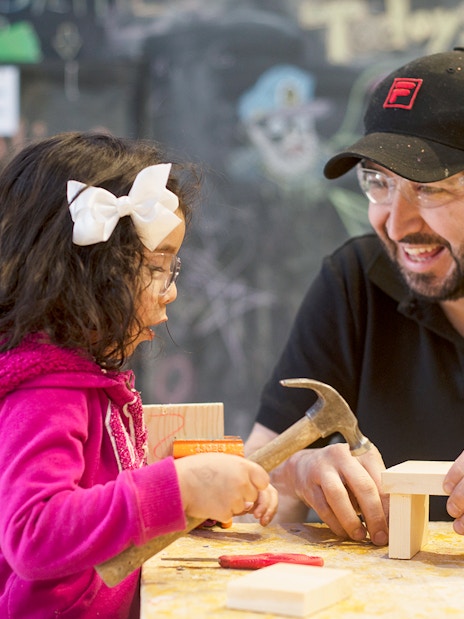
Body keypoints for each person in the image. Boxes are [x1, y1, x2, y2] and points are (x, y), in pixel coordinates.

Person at [0, 131, 277, 619]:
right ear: (89, 273)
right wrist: (180, 488)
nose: (170, 292)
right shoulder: (46, 392)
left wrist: (197, 500)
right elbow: (34, 532)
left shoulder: (83, 382)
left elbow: (105, 513)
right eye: (157, 267)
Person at [245, 48, 464, 548]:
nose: (396, 221)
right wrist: (300, 470)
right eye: (379, 183)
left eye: (429, 189)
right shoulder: (357, 280)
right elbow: (256, 463)